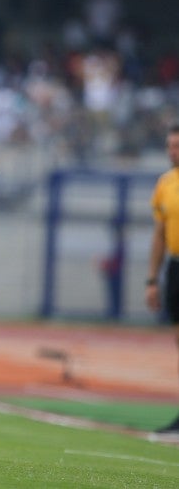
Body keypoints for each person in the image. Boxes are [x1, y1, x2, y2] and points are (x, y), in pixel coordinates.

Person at [145, 123, 179, 435]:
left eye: (177, 146)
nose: (173, 152)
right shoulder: (166, 183)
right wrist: (152, 279)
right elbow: (159, 234)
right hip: (175, 266)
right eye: (170, 145)